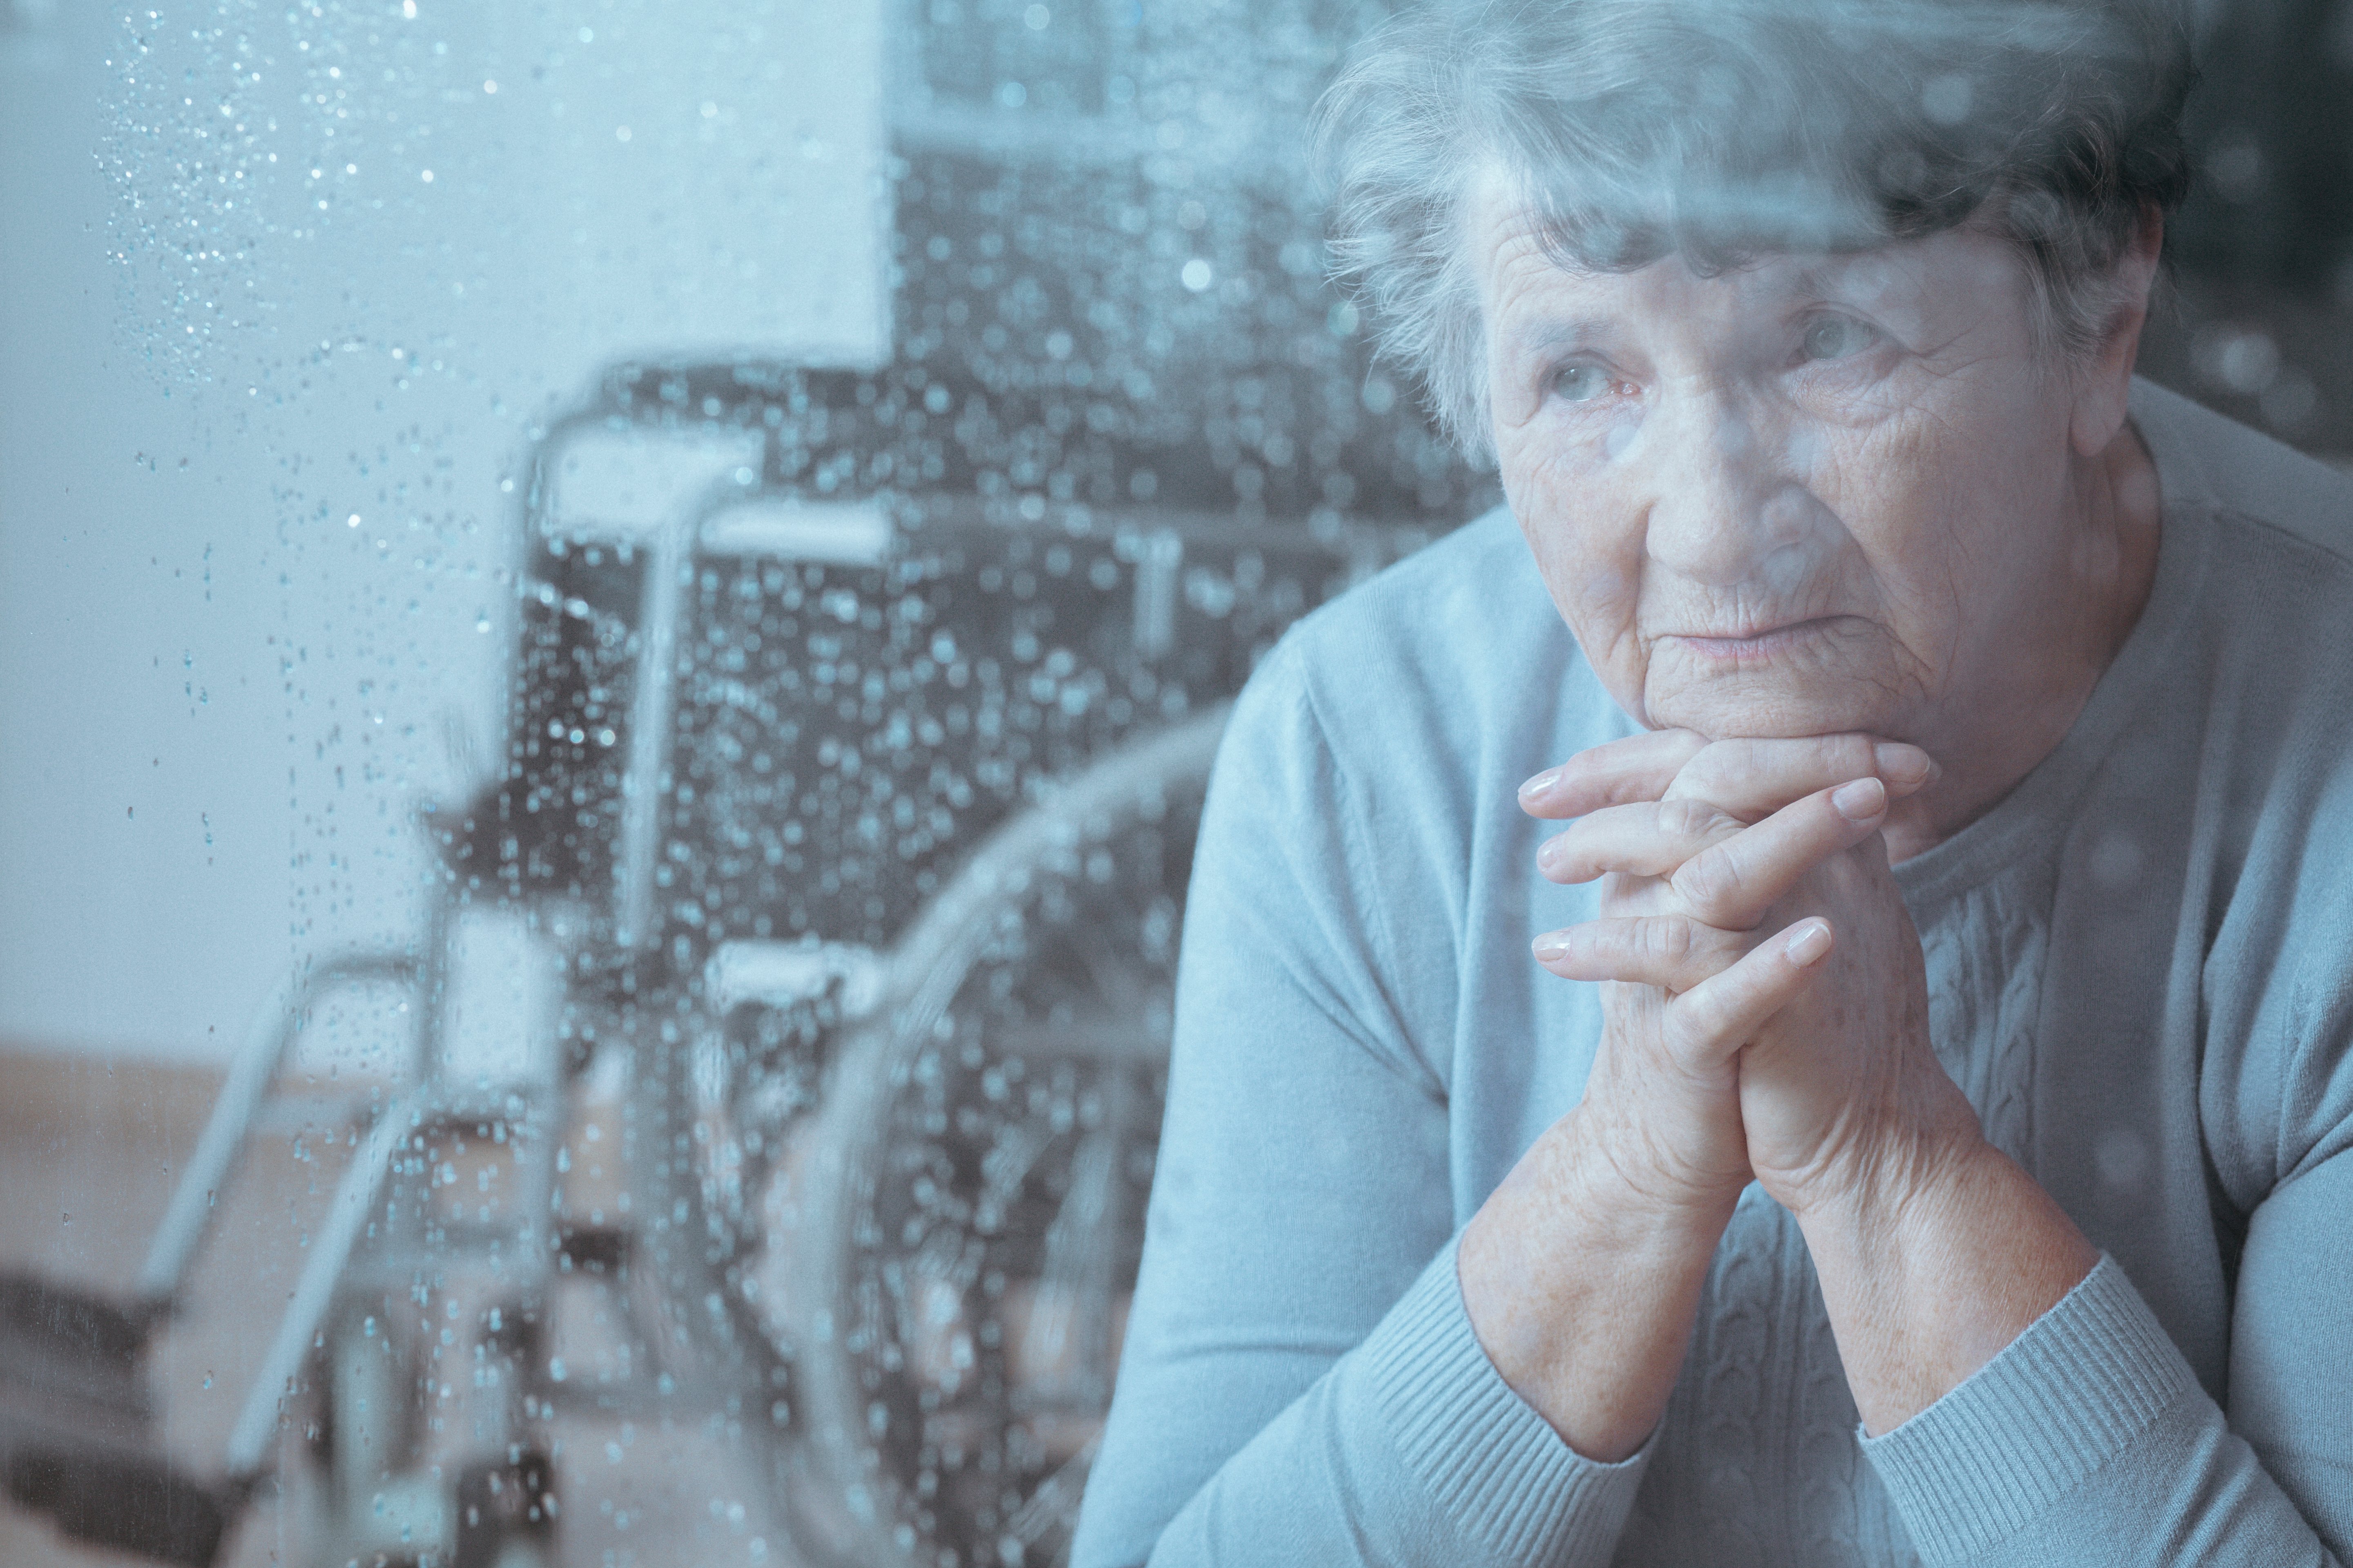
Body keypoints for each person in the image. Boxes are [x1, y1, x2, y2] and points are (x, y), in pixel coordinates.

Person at [1068, 0, 2353, 1564]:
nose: (1707, 534)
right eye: (1580, 377)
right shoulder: (1367, 749)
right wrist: (1623, 1163)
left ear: (2098, 321)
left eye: (1828, 343)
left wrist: (1885, 1163)